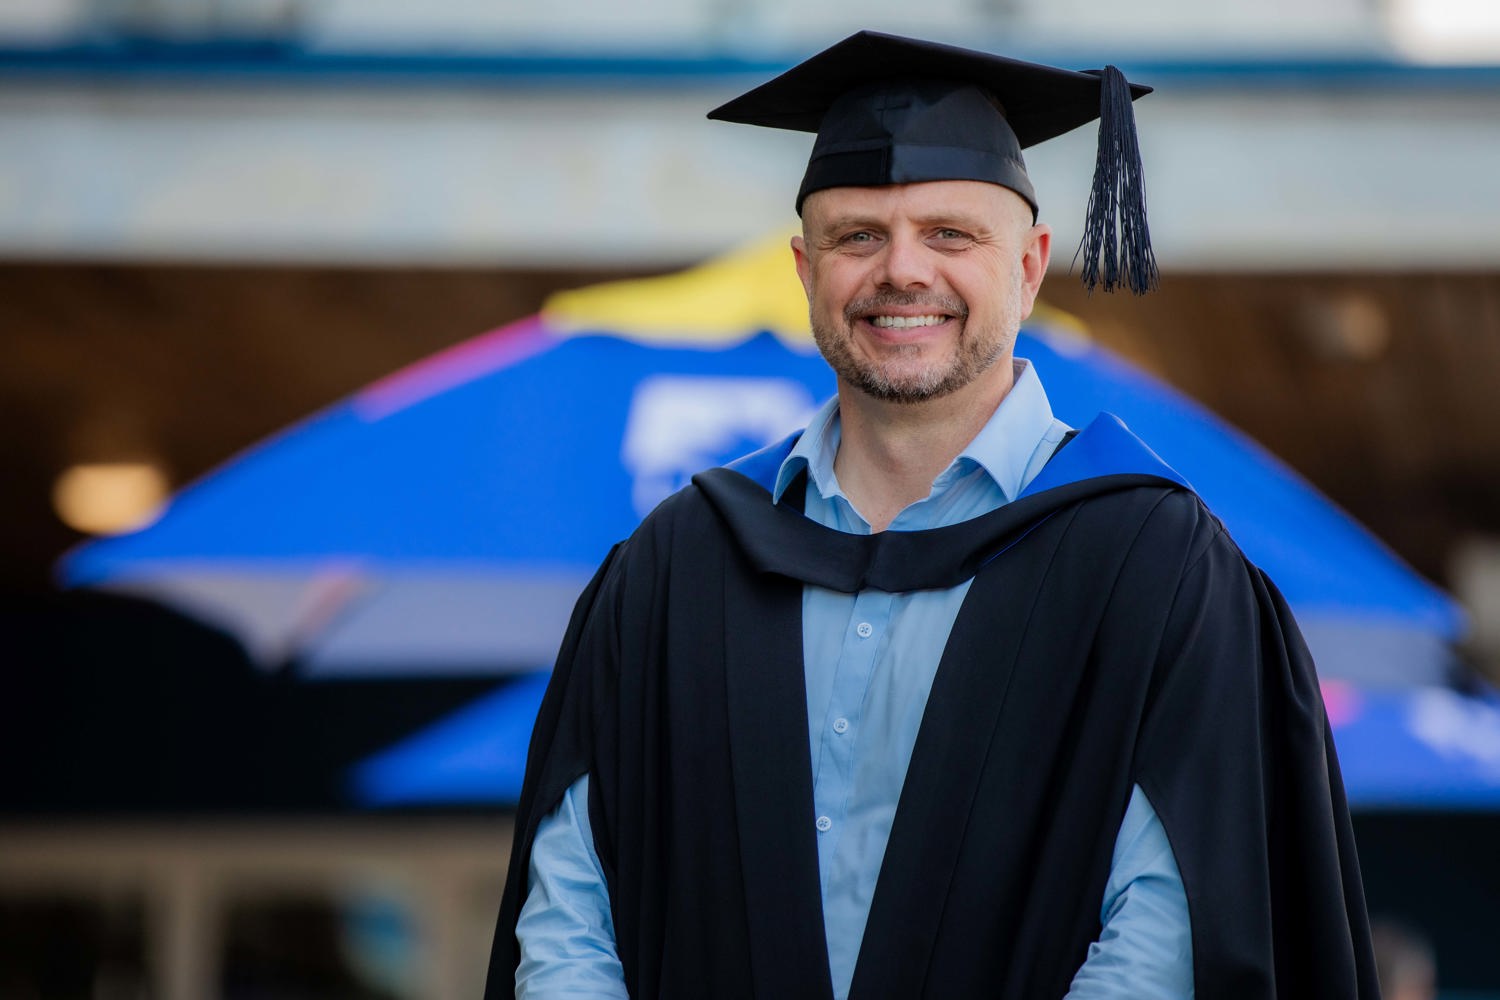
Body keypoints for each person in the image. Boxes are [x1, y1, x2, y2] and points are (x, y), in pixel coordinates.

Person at [485, 30, 1379, 999]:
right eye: (858, 235)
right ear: (804, 268)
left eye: (951, 235)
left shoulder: (1150, 563)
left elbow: (1170, 934)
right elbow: (569, 908)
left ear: (1030, 267)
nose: (902, 271)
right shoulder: (679, 562)